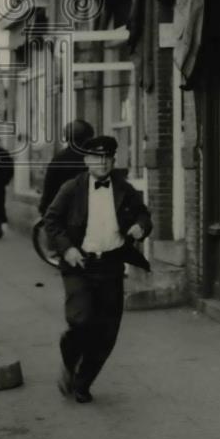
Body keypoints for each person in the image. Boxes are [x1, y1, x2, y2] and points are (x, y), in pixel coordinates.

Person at [43, 135, 151, 404]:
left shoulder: (124, 189)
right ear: (87, 160)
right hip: (80, 264)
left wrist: (141, 227)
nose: (102, 163)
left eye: (107, 158)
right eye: (96, 157)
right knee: (80, 320)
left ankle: (83, 382)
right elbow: (51, 220)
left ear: (113, 160)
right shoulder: (72, 188)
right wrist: (67, 248)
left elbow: (143, 214)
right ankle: (69, 362)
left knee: (106, 332)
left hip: (111, 266)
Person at [39, 119, 95, 215]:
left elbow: (49, 191)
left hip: (62, 214)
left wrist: (44, 210)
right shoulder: (93, 159)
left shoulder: (58, 159)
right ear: (87, 139)